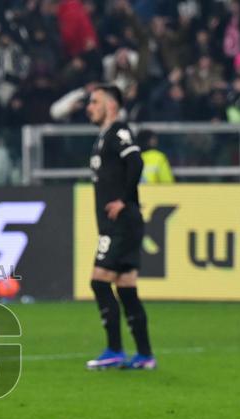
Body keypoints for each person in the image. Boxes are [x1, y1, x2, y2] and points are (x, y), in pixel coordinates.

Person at [84, 84, 155, 370]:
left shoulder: (119, 131)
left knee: (99, 281)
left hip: (121, 224)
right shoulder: (103, 138)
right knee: (126, 288)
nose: (89, 107)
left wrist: (124, 201)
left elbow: (136, 162)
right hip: (120, 224)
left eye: (95, 101)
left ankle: (114, 350)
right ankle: (145, 355)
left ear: (111, 106)